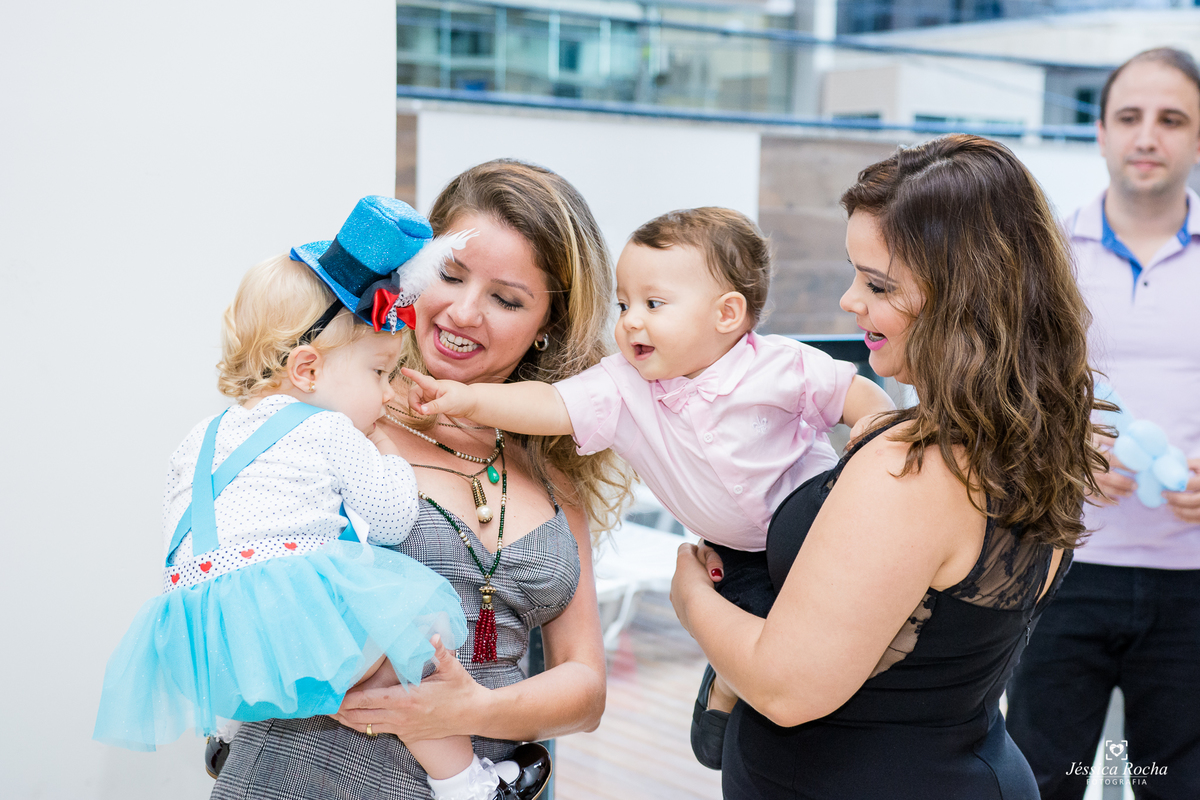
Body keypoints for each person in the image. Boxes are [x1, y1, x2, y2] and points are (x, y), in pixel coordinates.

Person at [670, 134, 1109, 799]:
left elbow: (787, 687)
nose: (850, 301)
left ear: (964, 299)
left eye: (877, 284)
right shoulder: (1030, 438)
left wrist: (691, 597)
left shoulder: (915, 470)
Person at [402, 206, 894, 768]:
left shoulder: (782, 366)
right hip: (738, 556)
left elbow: (860, 399)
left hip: (821, 526)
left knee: (843, 638)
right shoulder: (623, 387)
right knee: (756, 628)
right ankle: (729, 684)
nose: (631, 321)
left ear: (727, 314)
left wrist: (872, 443)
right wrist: (468, 401)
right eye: (624, 304)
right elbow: (548, 403)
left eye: (653, 305)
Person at [93, 196, 551, 800]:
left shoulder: (202, 435)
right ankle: (468, 783)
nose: (384, 389)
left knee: (284, 635)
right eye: (378, 374)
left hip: (201, 625)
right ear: (307, 371)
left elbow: (179, 520)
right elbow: (392, 517)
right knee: (409, 643)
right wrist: (388, 457)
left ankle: (230, 730)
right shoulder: (329, 429)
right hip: (284, 616)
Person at [212, 160, 631, 800]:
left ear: (549, 324)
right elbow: (237, 597)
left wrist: (468, 712)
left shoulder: (554, 474)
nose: (463, 312)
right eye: (450, 276)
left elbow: (586, 691)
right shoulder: (336, 422)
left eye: (506, 298)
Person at [1006, 47, 1200, 800]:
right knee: (1041, 780)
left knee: (1177, 786)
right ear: (1101, 132)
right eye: (1130, 117)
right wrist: (1061, 452)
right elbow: (1005, 393)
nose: (1147, 136)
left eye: (1171, 119)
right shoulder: (1043, 256)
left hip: (1192, 586)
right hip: (1062, 564)